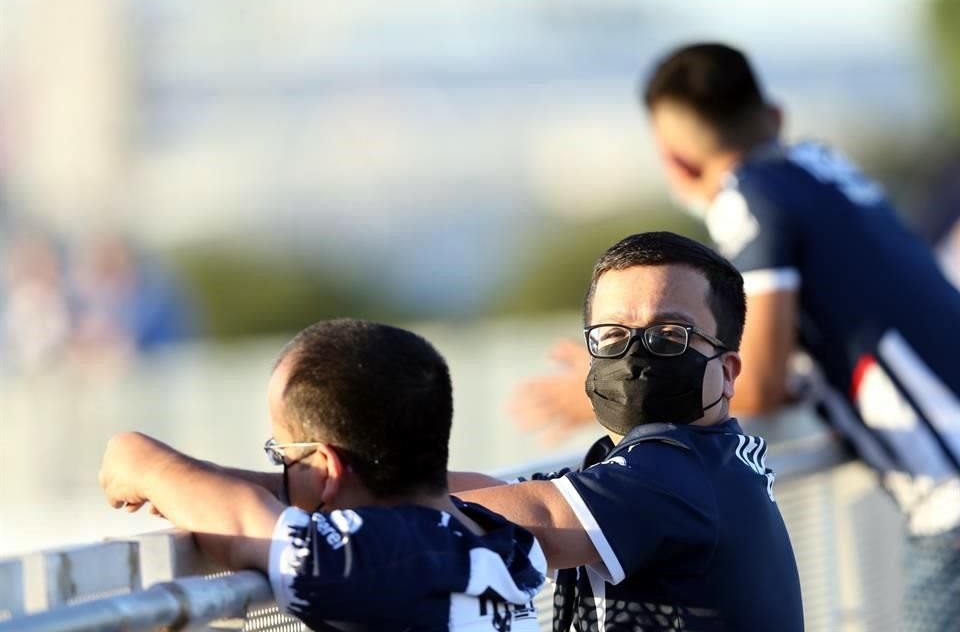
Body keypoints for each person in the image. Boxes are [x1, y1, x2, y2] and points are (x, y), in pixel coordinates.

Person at [510, 43, 960, 631]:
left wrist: (601, 390)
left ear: (676, 161)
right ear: (773, 118)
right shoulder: (821, 168)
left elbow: (760, 380)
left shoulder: (750, 197)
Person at [453, 232, 804, 631]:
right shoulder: (707, 461)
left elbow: (537, 520)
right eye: (614, 335)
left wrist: (376, 502)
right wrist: (380, 479)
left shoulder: (678, 470)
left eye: (670, 334)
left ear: (726, 372)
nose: (635, 357)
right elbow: (505, 494)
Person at [99, 319, 546, 632]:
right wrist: (203, 483)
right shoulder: (498, 536)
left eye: (283, 455)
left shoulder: (385, 556)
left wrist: (139, 459)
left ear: (328, 469)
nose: (280, 470)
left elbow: (242, 525)